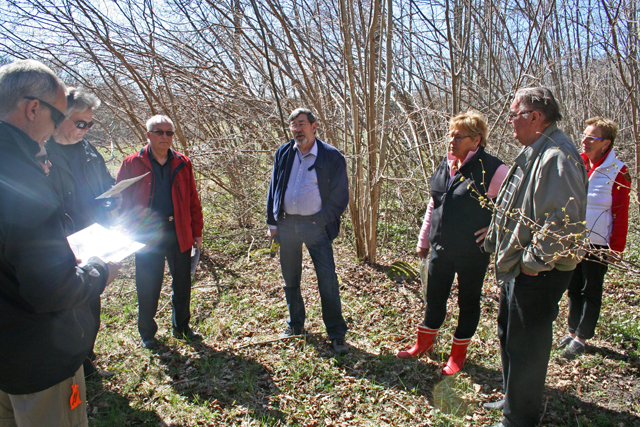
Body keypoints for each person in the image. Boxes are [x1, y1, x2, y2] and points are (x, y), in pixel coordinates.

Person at [0, 60, 119, 426]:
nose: (56, 128)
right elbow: (52, 289)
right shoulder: (24, 176)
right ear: (33, 108)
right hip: (39, 356)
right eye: (58, 116)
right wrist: (102, 270)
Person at [483, 87, 588, 427]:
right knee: (510, 336)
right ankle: (512, 401)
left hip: (539, 271)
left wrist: (531, 263)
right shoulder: (535, 151)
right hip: (520, 264)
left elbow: (564, 222)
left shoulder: (557, 155)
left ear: (535, 117)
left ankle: (520, 419)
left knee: (528, 346)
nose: (510, 123)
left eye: (513, 115)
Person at [397, 111, 508, 376]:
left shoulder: (493, 169)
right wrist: (424, 240)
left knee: (468, 303)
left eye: (459, 136)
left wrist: (496, 229)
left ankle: (457, 356)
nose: (451, 140)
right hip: (441, 250)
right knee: (434, 299)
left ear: (476, 140)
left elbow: (515, 207)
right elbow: (433, 205)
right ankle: (423, 344)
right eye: (451, 135)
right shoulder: (445, 165)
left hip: (472, 253)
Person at [46, 87, 119, 379]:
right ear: (60, 118)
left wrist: (114, 195)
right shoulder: (42, 153)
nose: (86, 129)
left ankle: (87, 363)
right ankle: (70, 371)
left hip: (93, 236)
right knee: (67, 309)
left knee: (91, 304)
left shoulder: (88, 150)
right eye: (80, 123)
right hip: (62, 244)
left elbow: (105, 182)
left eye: (90, 124)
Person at [266, 108, 350, 355]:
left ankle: (336, 334)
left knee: (327, 280)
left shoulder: (331, 156)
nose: (297, 130)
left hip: (316, 226)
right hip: (286, 224)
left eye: (301, 124)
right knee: (290, 279)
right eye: (293, 125)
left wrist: (321, 221)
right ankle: (295, 325)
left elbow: (340, 196)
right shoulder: (283, 152)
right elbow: (274, 188)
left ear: (314, 126)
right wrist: (272, 223)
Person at [116, 115, 204, 349]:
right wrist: (126, 228)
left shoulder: (183, 162)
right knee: (148, 284)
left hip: (179, 229)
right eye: (159, 132)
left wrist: (197, 231)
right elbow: (120, 200)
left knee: (183, 282)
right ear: (148, 135)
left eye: (169, 133)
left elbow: (193, 199)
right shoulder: (132, 162)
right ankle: (147, 334)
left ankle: (181, 328)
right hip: (147, 233)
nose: (165, 137)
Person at [559, 117, 630, 360]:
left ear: (606, 143)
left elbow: (621, 213)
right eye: (584, 135)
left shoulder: (618, 170)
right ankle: (571, 330)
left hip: (598, 242)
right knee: (573, 286)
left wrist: (616, 247)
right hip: (574, 239)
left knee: (591, 288)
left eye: (592, 138)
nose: (585, 141)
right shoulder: (577, 163)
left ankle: (582, 336)